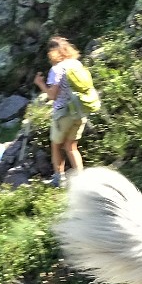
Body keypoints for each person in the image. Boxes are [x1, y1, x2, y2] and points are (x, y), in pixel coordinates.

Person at [34, 36, 89, 188]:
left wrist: (40, 84)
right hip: (80, 110)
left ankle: (59, 179)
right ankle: (81, 179)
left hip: (63, 113)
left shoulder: (56, 69)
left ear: (52, 52)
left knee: (56, 145)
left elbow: (52, 95)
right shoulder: (76, 63)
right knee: (71, 146)